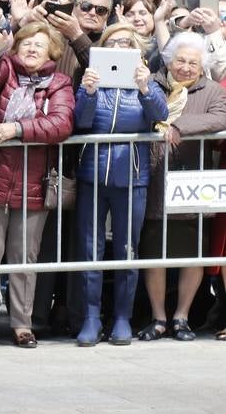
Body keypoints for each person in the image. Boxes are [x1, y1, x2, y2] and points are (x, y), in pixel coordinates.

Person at [0, 23, 74, 349]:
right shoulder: (5, 74)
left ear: (51, 52)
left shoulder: (60, 83)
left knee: (24, 255)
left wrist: (17, 128)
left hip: (35, 183)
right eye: (26, 43)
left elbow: (62, 123)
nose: (31, 49)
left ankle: (22, 323)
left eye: (39, 45)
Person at [72, 29, 168, 346]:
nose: (119, 47)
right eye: (113, 43)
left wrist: (144, 88)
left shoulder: (148, 82)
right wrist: (87, 93)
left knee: (127, 247)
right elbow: (82, 122)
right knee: (91, 248)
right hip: (93, 174)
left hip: (133, 175)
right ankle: (90, 317)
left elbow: (160, 116)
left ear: (137, 50)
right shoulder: (92, 80)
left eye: (126, 43)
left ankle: (123, 317)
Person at [137, 33, 226, 341]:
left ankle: (182, 317)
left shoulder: (212, 90)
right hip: (153, 178)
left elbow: (220, 117)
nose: (186, 67)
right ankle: (158, 317)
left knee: (192, 253)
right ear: (169, 60)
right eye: (181, 61)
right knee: (154, 253)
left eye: (193, 62)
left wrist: (179, 126)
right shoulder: (151, 83)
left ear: (202, 66)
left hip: (193, 182)